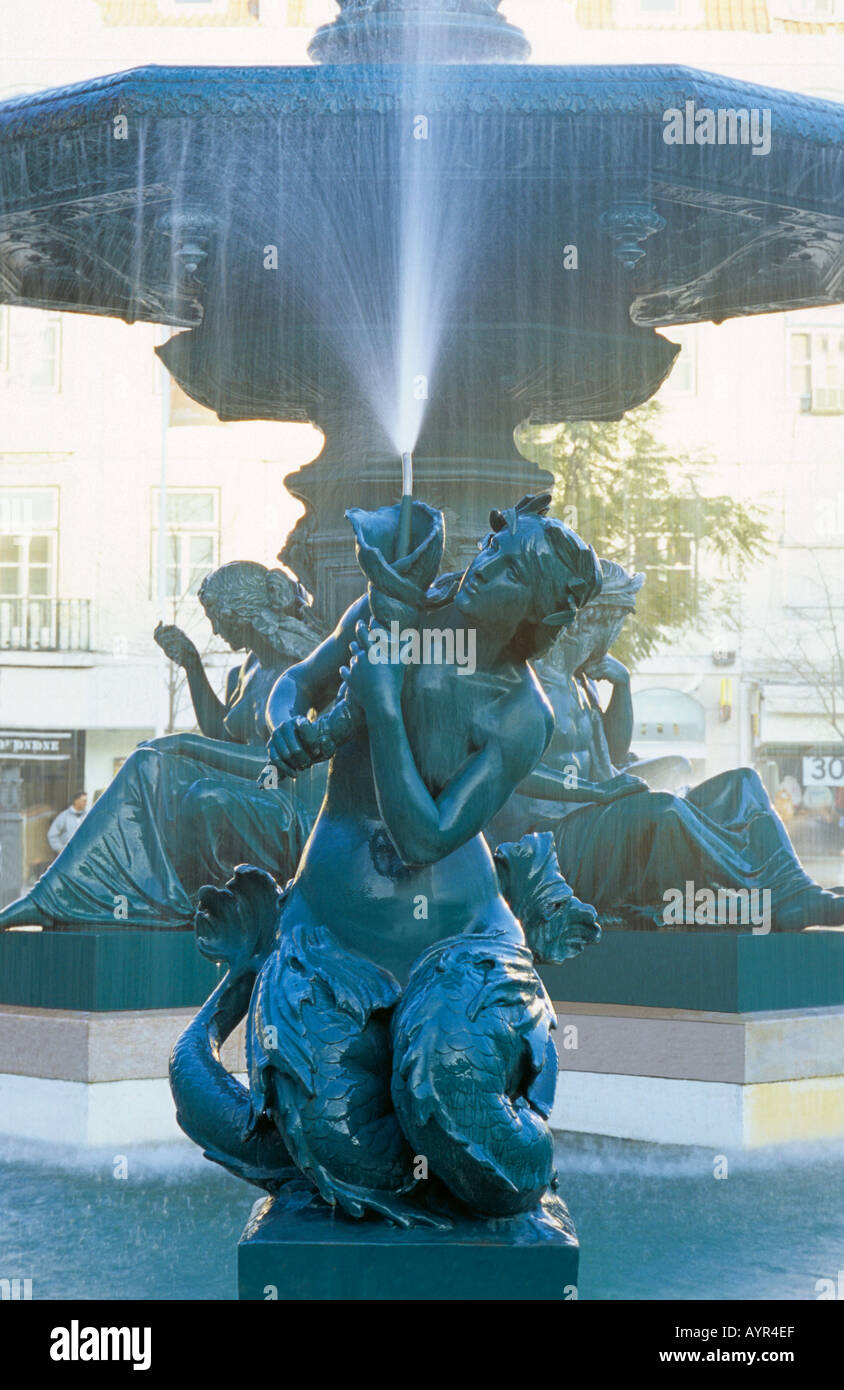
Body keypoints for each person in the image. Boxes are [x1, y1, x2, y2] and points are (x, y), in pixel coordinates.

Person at [171, 494, 603, 1223]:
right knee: (331, 1142)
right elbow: (299, 681)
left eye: (504, 576)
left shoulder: (523, 714)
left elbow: (423, 837)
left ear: (537, 620)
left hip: (457, 944)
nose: (479, 569)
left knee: (450, 1084)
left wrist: (382, 701)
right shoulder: (392, 608)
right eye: (490, 551)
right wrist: (286, 727)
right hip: (330, 931)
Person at [490, 559, 844, 931]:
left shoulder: (583, 683)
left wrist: (622, 687)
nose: (616, 638)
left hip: (594, 819)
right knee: (664, 812)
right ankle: (759, 899)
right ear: (596, 621)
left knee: (743, 784)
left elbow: (611, 757)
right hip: (553, 840)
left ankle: (795, 890)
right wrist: (596, 790)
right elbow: (513, 772)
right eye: (617, 627)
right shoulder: (530, 682)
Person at [0, 562, 322, 931]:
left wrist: (187, 745)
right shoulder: (247, 669)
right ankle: (60, 897)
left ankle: (138, 902)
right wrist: (192, 666)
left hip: (289, 804)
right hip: (252, 794)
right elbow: (223, 733)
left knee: (205, 796)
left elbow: (279, 762)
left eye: (217, 618)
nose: (215, 630)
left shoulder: (300, 665)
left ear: (240, 614)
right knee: (147, 764)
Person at [47, 791, 87, 855]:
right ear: (76, 801)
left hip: (83, 854)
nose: (86, 803)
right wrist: (60, 849)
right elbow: (52, 835)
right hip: (68, 855)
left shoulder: (87, 816)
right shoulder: (64, 816)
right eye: (84, 801)